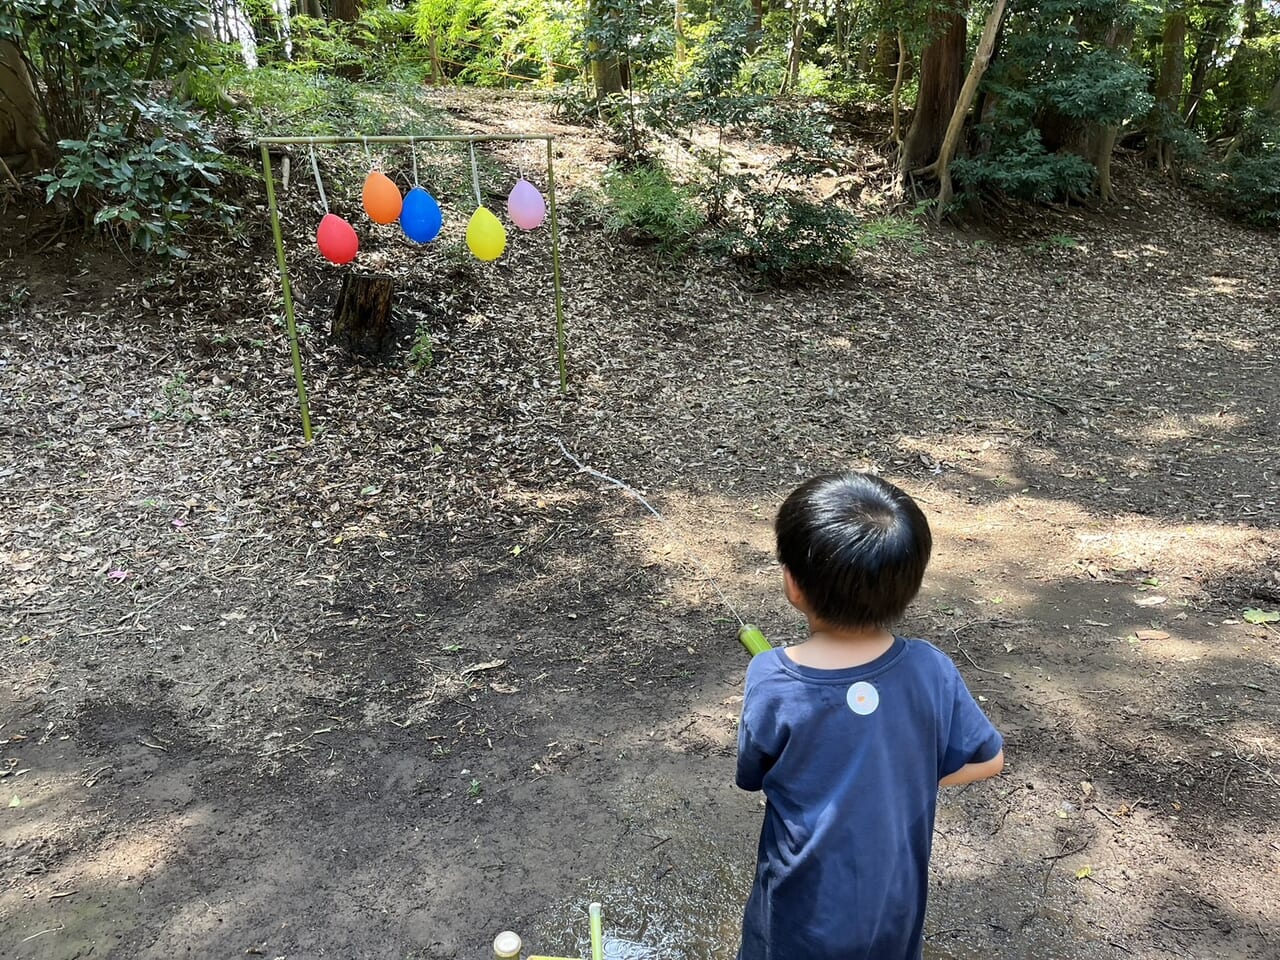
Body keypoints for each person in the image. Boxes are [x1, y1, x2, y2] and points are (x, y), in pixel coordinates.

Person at [736, 472, 1004, 960]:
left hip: (799, 916)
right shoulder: (931, 668)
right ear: (910, 586)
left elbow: (754, 774)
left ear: (793, 583)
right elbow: (989, 760)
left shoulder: (771, 676)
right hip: (891, 908)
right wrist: (900, 778)